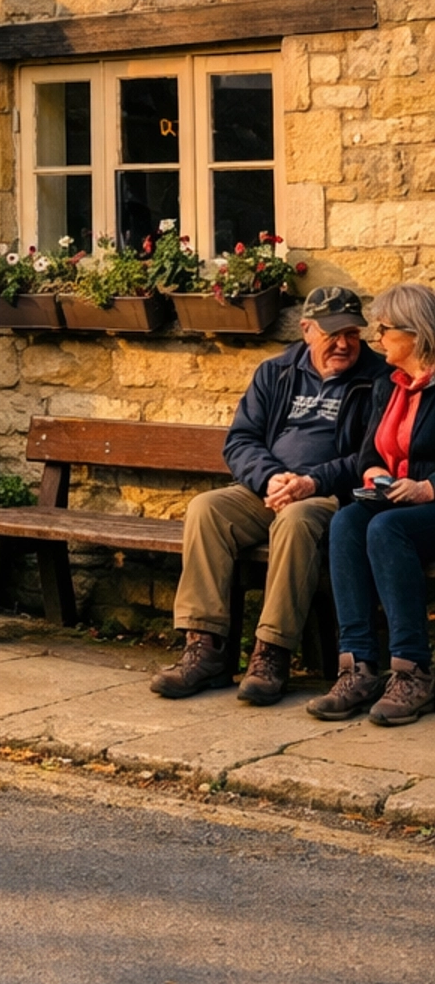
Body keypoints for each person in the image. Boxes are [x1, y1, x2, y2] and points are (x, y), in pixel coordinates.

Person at [152, 284, 384, 705]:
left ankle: (272, 653)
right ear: (307, 329)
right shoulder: (275, 372)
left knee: (296, 521)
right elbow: (240, 440)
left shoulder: (378, 378)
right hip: (271, 489)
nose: (345, 343)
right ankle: (204, 649)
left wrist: (311, 482)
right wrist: (272, 479)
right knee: (206, 508)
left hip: (331, 496)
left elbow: (372, 455)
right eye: (334, 333)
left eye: (353, 332)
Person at [307, 281, 435, 727]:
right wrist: (375, 476)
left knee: (385, 529)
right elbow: (369, 452)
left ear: (414, 334)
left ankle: (413, 670)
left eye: (383, 330)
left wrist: (427, 488)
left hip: (429, 504)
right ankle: (357, 667)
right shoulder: (389, 384)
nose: (377, 339)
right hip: (397, 501)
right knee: (346, 522)